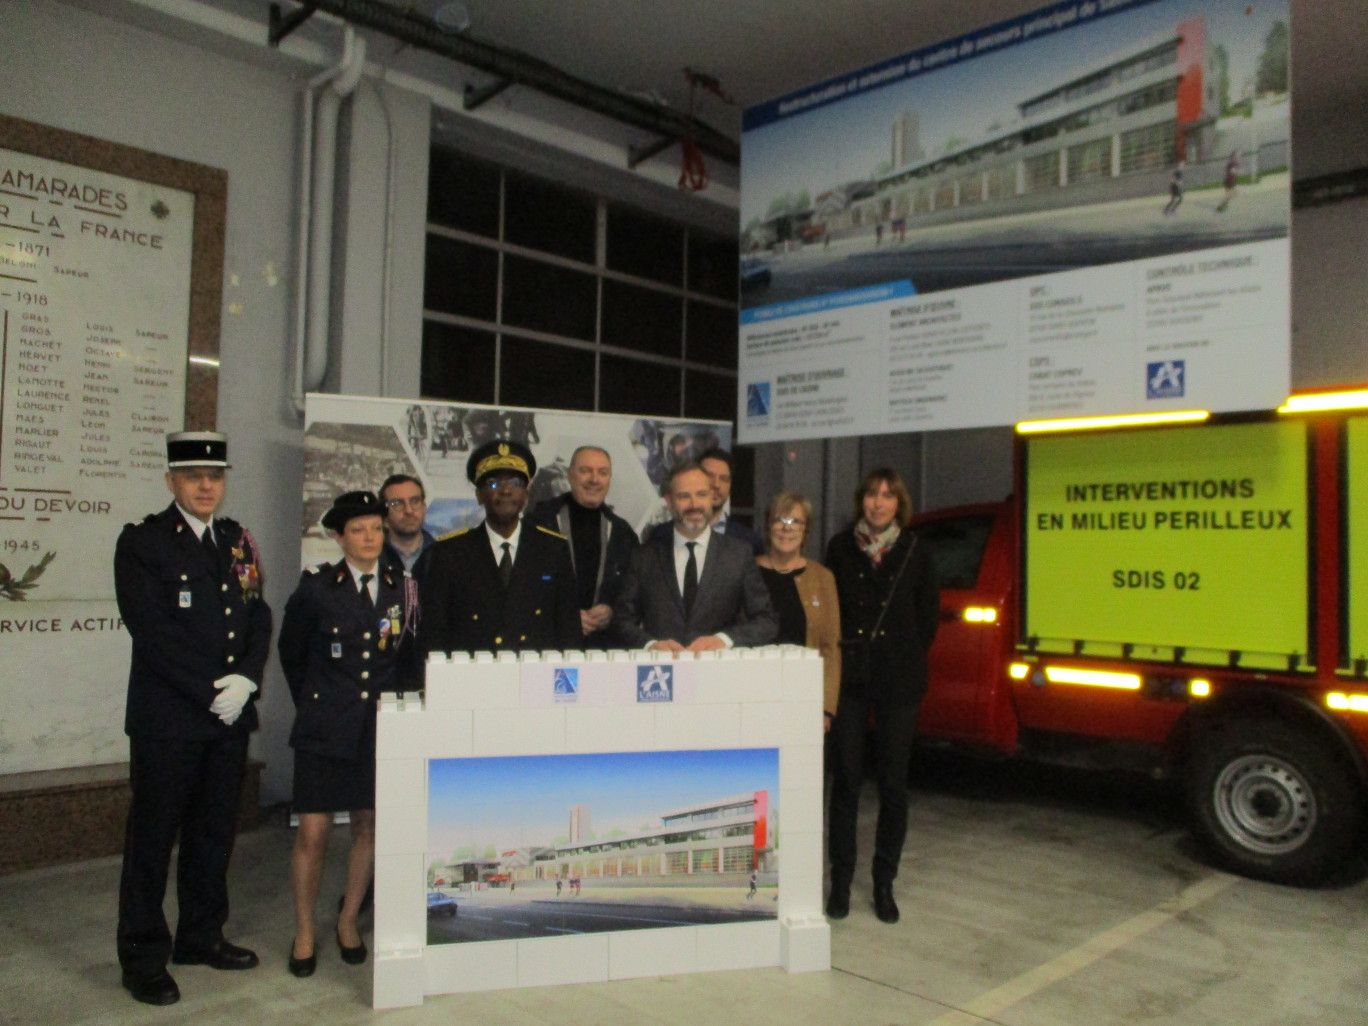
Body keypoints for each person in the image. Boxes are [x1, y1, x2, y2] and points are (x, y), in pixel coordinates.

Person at [113, 431, 271, 1006]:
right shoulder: (144, 543)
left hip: (226, 719)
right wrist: (211, 693)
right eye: (192, 477)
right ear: (171, 481)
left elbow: (258, 614)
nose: (206, 486)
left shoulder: (236, 540)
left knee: (212, 835)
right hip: (168, 721)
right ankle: (142, 957)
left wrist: (248, 678)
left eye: (215, 476)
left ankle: (201, 936)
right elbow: (150, 633)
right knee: (152, 841)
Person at [278, 491, 421, 977]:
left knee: (367, 827)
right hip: (324, 727)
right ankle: (303, 930)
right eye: (358, 530)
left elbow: (403, 658)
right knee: (313, 835)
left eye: (376, 529)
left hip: (376, 728)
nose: (370, 538)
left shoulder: (401, 586)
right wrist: (319, 705)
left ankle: (346, 920)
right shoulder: (317, 588)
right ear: (339, 537)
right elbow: (292, 654)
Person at [824, 468, 939, 926]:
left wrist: (900, 652)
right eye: (871, 494)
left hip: (899, 679)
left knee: (893, 784)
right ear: (861, 501)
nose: (878, 503)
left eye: (888, 496)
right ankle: (840, 882)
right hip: (850, 676)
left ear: (899, 504)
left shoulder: (916, 550)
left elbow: (927, 618)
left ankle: (884, 883)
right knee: (847, 780)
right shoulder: (838, 547)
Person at [420, 440, 579, 655]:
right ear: (479, 495)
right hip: (473, 679)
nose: (505, 490)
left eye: (515, 482)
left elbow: (569, 632)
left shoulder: (553, 549)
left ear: (526, 494)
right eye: (493, 483)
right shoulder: (450, 552)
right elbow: (435, 634)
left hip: (534, 679)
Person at [615, 462, 777, 651]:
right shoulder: (644, 557)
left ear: (711, 498)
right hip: (661, 673)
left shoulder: (739, 555)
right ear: (669, 502)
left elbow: (766, 620)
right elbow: (621, 620)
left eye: (702, 494)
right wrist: (650, 644)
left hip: (718, 672)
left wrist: (724, 640)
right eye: (684, 496)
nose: (694, 505)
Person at [527, 446, 638, 647]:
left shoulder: (623, 533)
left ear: (609, 479)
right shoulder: (539, 524)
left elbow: (635, 594)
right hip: (547, 648)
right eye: (585, 470)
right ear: (569, 476)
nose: (594, 479)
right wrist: (564, 617)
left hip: (605, 652)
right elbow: (524, 588)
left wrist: (612, 610)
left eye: (602, 473)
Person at [756, 492, 841, 731]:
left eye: (796, 522)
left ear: (806, 530)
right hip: (755, 692)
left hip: (804, 695)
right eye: (779, 520)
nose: (786, 529)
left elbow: (830, 647)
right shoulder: (747, 572)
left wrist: (826, 707)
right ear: (767, 525)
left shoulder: (822, 578)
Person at [644, 447, 763, 556]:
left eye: (724, 479)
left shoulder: (747, 541)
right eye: (709, 476)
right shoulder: (660, 535)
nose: (716, 485)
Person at [378, 474, 435, 579]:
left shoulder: (442, 556)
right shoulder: (372, 558)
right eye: (397, 504)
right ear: (384, 514)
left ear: (424, 508)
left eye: (415, 501)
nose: (409, 511)